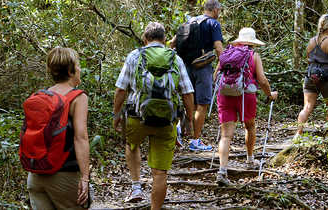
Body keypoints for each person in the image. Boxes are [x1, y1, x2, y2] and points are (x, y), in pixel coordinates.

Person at [113, 22, 195, 209]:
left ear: (145, 39)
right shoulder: (175, 59)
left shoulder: (135, 56)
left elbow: (120, 89)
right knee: (160, 173)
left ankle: (136, 186)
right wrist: (189, 119)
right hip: (167, 121)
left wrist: (116, 114)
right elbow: (188, 93)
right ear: (165, 40)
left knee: (131, 144)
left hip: (136, 117)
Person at [26, 47, 91, 209]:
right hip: (64, 176)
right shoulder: (78, 97)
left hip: (35, 176)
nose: (80, 69)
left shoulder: (41, 96)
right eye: (77, 65)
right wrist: (85, 178)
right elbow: (80, 137)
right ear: (70, 71)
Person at [213, 28, 278, 186]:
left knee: (226, 135)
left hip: (225, 96)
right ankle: (250, 159)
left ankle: (222, 171)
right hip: (246, 96)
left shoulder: (226, 54)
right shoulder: (253, 55)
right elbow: (262, 80)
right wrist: (270, 94)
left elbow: (215, 76)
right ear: (252, 42)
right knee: (249, 126)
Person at [171, 0, 224, 151]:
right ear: (215, 10)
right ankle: (195, 141)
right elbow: (219, 49)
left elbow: (173, 43)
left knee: (190, 102)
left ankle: (180, 131)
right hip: (203, 67)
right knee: (202, 104)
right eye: (219, 10)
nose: (219, 13)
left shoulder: (190, 21)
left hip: (186, 67)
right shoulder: (213, 24)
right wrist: (225, 66)